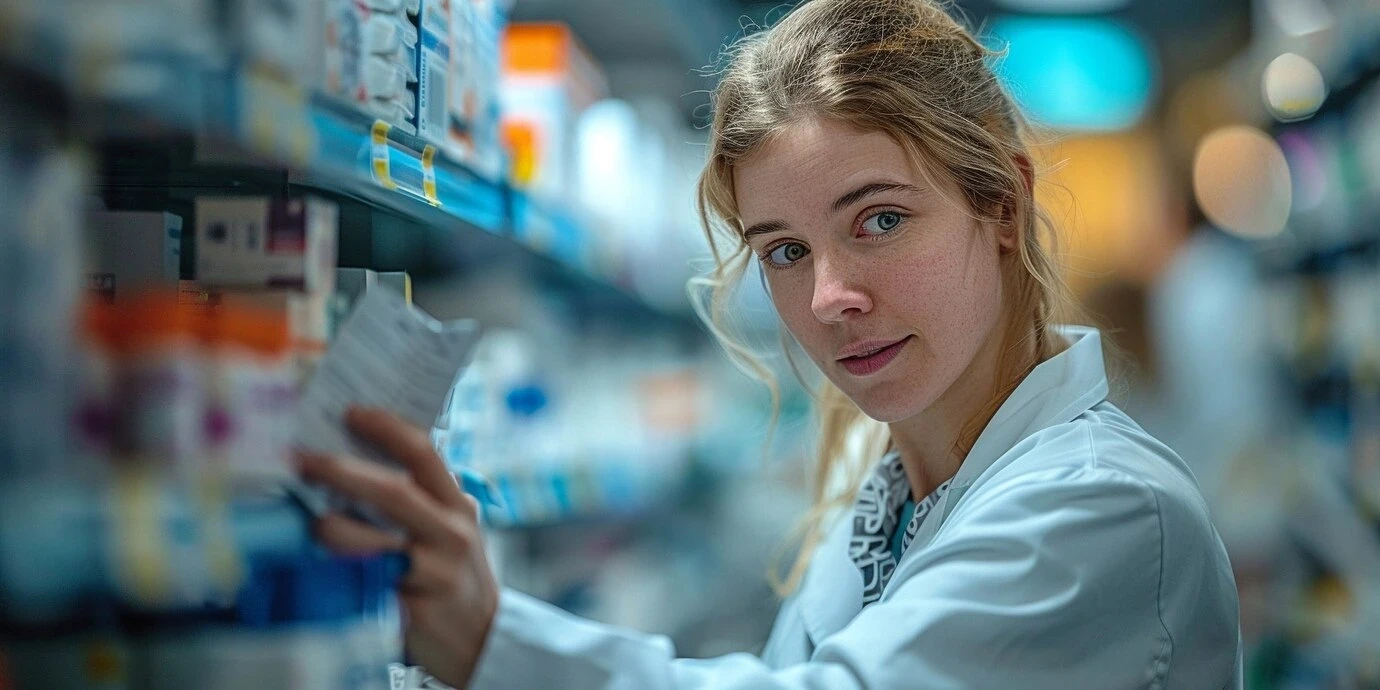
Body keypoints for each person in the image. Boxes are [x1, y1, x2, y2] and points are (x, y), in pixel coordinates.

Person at [297, 0, 1244, 687]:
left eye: (878, 221)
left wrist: (493, 637)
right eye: (785, 250)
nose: (830, 295)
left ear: (1002, 205)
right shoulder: (895, 495)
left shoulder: (1101, 510)